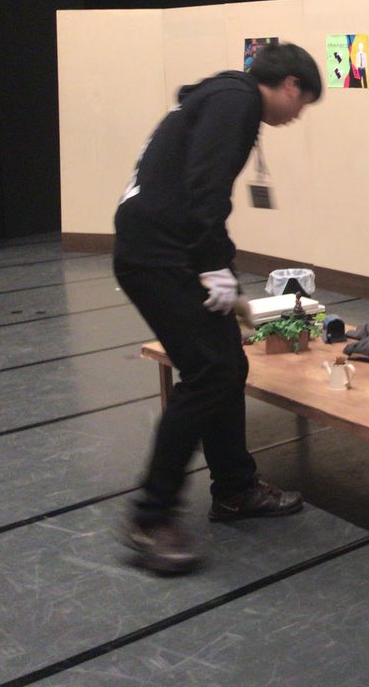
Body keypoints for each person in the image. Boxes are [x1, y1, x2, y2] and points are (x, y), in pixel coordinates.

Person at [113, 41, 323, 574]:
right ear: (290, 85)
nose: (297, 115)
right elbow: (205, 187)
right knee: (210, 373)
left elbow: (195, 184)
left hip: (165, 248)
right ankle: (150, 517)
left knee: (228, 364)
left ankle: (234, 489)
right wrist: (214, 265)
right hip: (157, 255)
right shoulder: (238, 100)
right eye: (302, 103)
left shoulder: (219, 96)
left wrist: (217, 266)